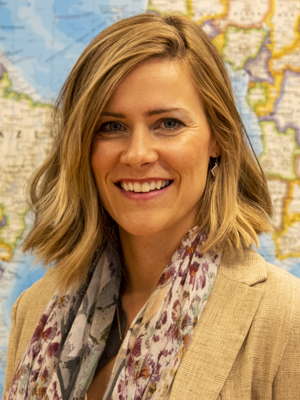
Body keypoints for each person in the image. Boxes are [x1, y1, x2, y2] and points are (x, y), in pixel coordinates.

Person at [3, 13, 300, 400]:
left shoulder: (284, 317)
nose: (138, 154)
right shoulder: (35, 308)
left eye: (168, 124)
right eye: (111, 126)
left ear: (218, 140)